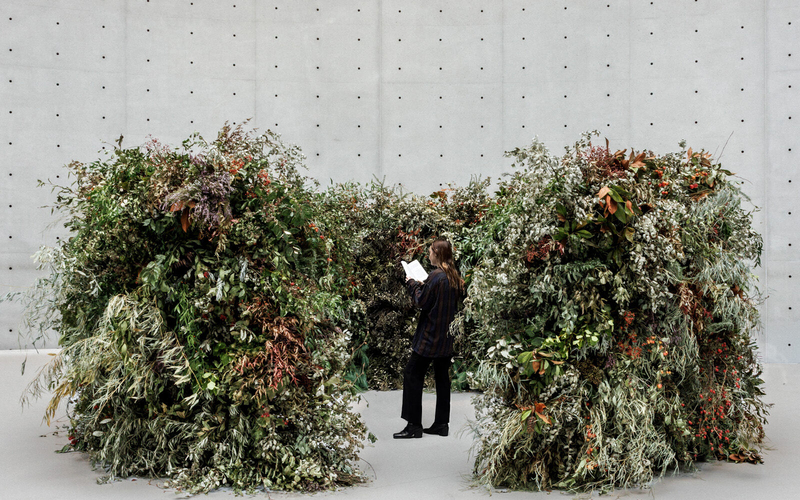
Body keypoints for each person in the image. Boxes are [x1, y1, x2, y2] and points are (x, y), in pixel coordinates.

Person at [393, 237, 464, 439]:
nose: (428, 254)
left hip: (429, 337)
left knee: (412, 374)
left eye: (431, 250)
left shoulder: (436, 276)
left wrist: (412, 283)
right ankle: (441, 424)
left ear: (437, 254)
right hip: (446, 337)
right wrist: (423, 285)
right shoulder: (453, 276)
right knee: (442, 378)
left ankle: (414, 426)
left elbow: (420, 301)